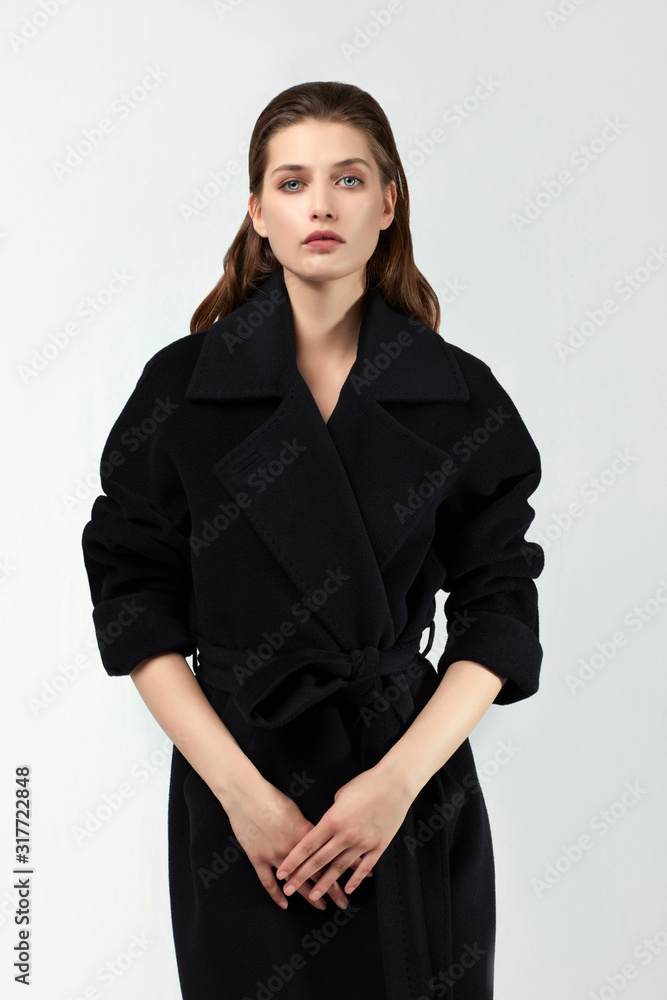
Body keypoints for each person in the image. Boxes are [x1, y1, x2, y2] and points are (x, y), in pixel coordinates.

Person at [81, 81, 545, 1000]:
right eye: (292, 183)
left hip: (405, 788)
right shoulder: (182, 388)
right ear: (258, 212)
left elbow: (499, 608)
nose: (321, 205)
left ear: (388, 203)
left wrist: (396, 785)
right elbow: (133, 599)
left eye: (349, 178)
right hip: (241, 790)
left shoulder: (457, 393)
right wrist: (243, 798)